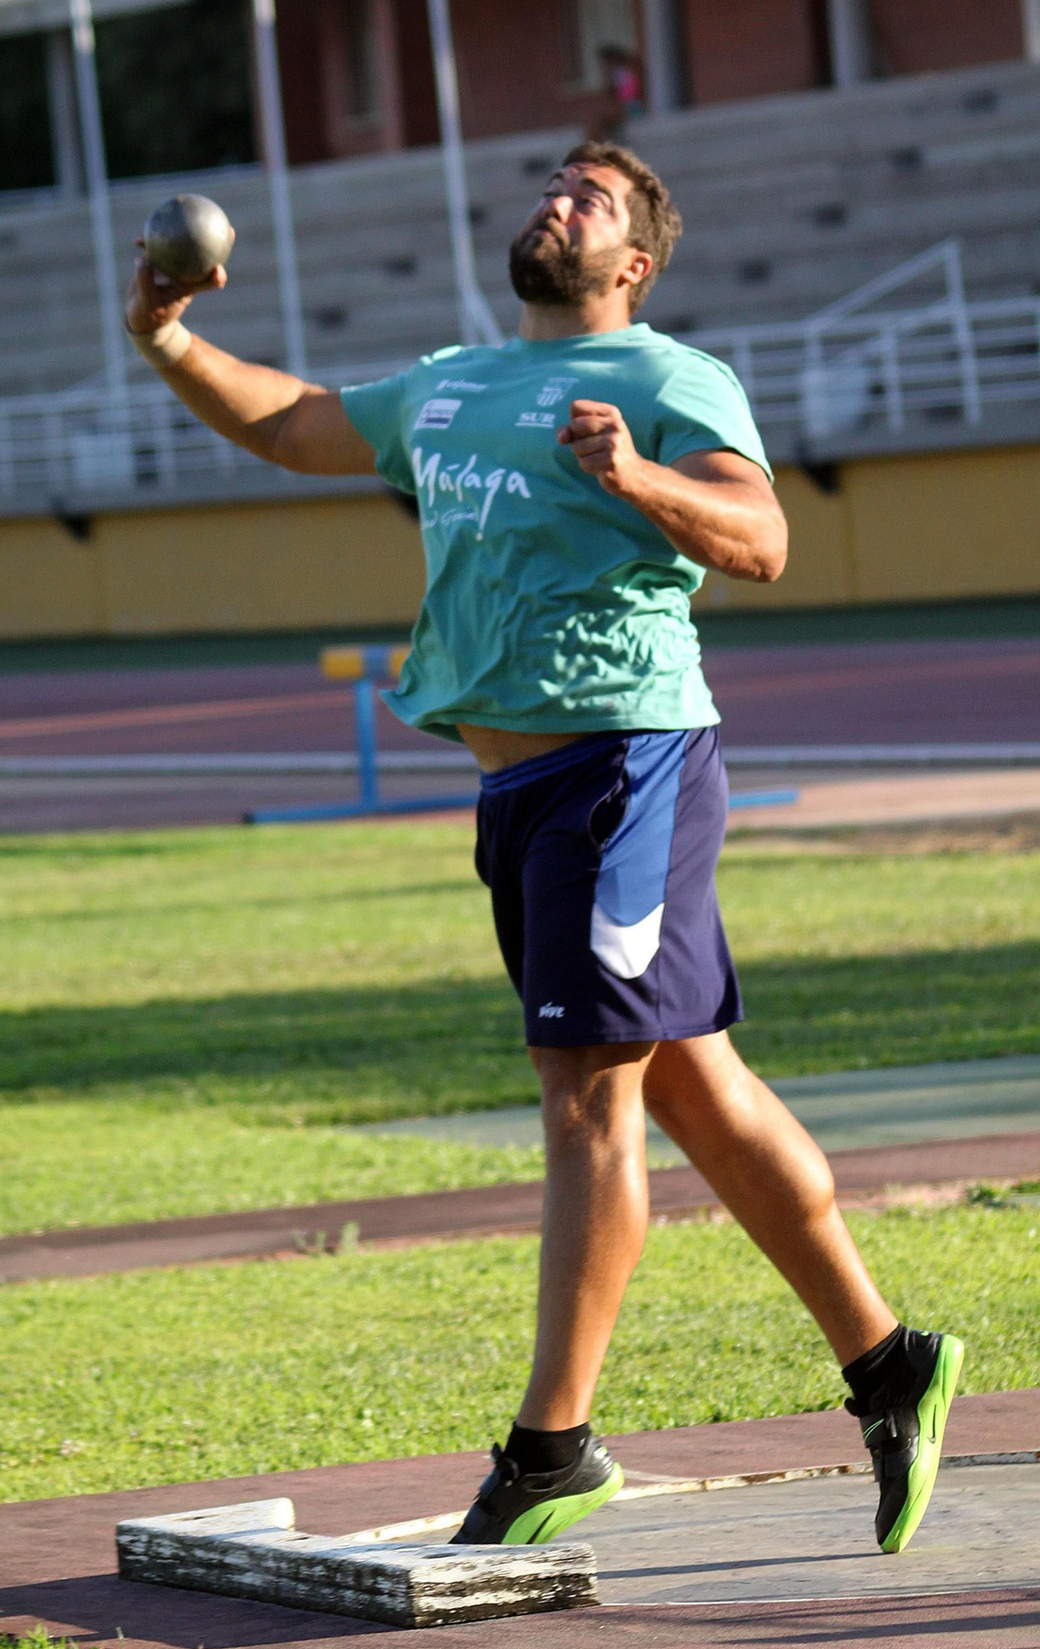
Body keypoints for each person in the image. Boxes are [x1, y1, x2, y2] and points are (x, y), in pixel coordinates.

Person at [122, 139, 962, 1557]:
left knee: (585, 1089)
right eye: (551, 186)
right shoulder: (452, 380)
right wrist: (168, 339)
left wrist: (635, 475)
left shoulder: (668, 379)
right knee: (691, 1086)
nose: (555, 203)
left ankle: (554, 1445)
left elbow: (761, 540)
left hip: (622, 764)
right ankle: (892, 1364)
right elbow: (297, 423)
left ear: (633, 263)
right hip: (518, 791)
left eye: (592, 199)